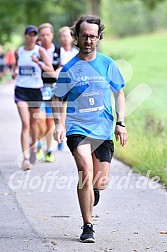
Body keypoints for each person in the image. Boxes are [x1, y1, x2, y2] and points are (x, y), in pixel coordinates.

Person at [52, 15, 128, 243]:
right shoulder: (69, 69)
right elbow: (57, 98)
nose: (88, 40)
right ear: (77, 36)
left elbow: (119, 93)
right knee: (85, 170)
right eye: (84, 35)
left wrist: (120, 122)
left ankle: (93, 191)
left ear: (98, 37)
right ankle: (88, 226)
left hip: (103, 129)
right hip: (78, 128)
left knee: (100, 182)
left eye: (93, 36)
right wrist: (59, 123)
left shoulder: (107, 64)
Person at [12, 25, 53, 171]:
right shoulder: (19, 51)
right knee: (25, 123)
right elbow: (15, 68)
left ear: (37, 37)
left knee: (34, 124)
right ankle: (25, 158)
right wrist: (14, 72)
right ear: (25, 36)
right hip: (21, 90)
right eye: (29, 34)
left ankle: (34, 148)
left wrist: (39, 63)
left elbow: (50, 69)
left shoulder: (39, 51)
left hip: (35, 91)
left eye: (34, 35)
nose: (32, 37)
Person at [36, 23, 61, 162]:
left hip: (53, 90)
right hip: (38, 89)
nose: (45, 37)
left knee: (50, 121)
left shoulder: (58, 50)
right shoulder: (36, 51)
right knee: (39, 120)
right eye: (43, 35)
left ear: (52, 35)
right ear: (40, 36)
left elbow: (62, 67)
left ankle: (49, 150)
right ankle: (39, 144)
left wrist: (56, 72)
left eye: (48, 34)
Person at [57, 26, 78, 150]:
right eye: (63, 36)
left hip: (71, 86)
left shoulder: (76, 53)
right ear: (60, 38)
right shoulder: (57, 52)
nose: (65, 38)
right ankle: (60, 136)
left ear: (72, 38)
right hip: (58, 85)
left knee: (66, 113)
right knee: (59, 112)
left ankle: (64, 138)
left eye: (67, 36)